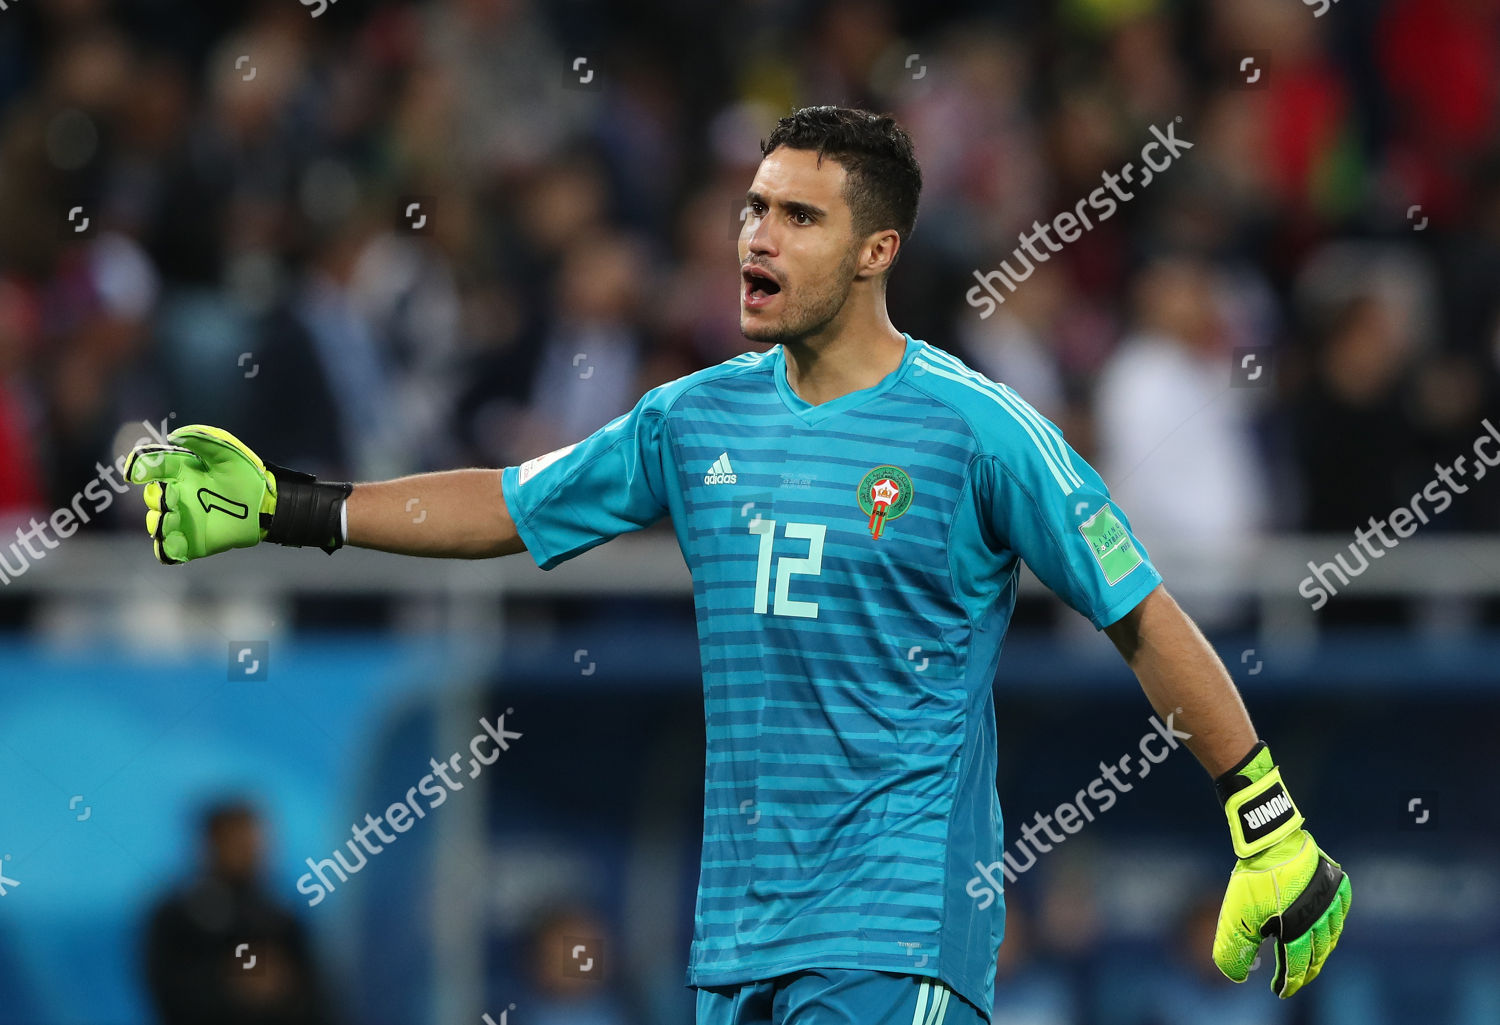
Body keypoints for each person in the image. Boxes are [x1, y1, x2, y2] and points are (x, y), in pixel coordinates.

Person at [123, 106, 1349, 1025]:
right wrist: (294, 507)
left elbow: (1139, 611)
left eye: (798, 217)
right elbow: (505, 505)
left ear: (877, 250)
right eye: (753, 208)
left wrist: (1268, 818)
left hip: (897, 934)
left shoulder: (978, 429)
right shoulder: (693, 418)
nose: (757, 238)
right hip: (734, 941)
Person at [143, 801, 335, 1025]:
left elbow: (318, 997)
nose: (251, 850)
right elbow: (168, 993)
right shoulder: (177, 917)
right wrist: (231, 984)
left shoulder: (281, 917)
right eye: (238, 841)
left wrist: (281, 988)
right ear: (211, 843)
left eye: (255, 840)